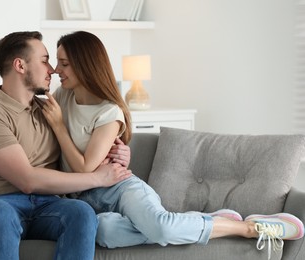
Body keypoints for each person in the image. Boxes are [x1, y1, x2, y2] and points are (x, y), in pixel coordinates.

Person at [40, 30, 305, 259]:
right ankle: (206, 221)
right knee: (105, 231)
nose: (55, 70)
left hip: (119, 188)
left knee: (162, 228)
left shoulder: (110, 112)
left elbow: (86, 170)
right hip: (85, 200)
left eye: (63, 63)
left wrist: (59, 127)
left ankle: (246, 228)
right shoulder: (63, 96)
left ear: (84, 65)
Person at [0, 31, 133, 260]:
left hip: (48, 204)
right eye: (44, 61)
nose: (52, 69)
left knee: (81, 212)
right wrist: (99, 178)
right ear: (20, 65)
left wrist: (118, 151)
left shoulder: (51, 109)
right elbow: (27, 180)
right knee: (0, 214)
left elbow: (86, 140)